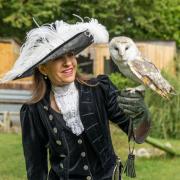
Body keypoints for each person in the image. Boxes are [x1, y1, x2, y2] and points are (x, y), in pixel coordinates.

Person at [0, 17, 151, 180]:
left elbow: (136, 133)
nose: (68, 63)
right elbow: (36, 167)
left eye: (70, 54)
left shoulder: (100, 89)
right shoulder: (34, 110)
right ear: (43, 68)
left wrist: (141, 114)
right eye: (58, 58)